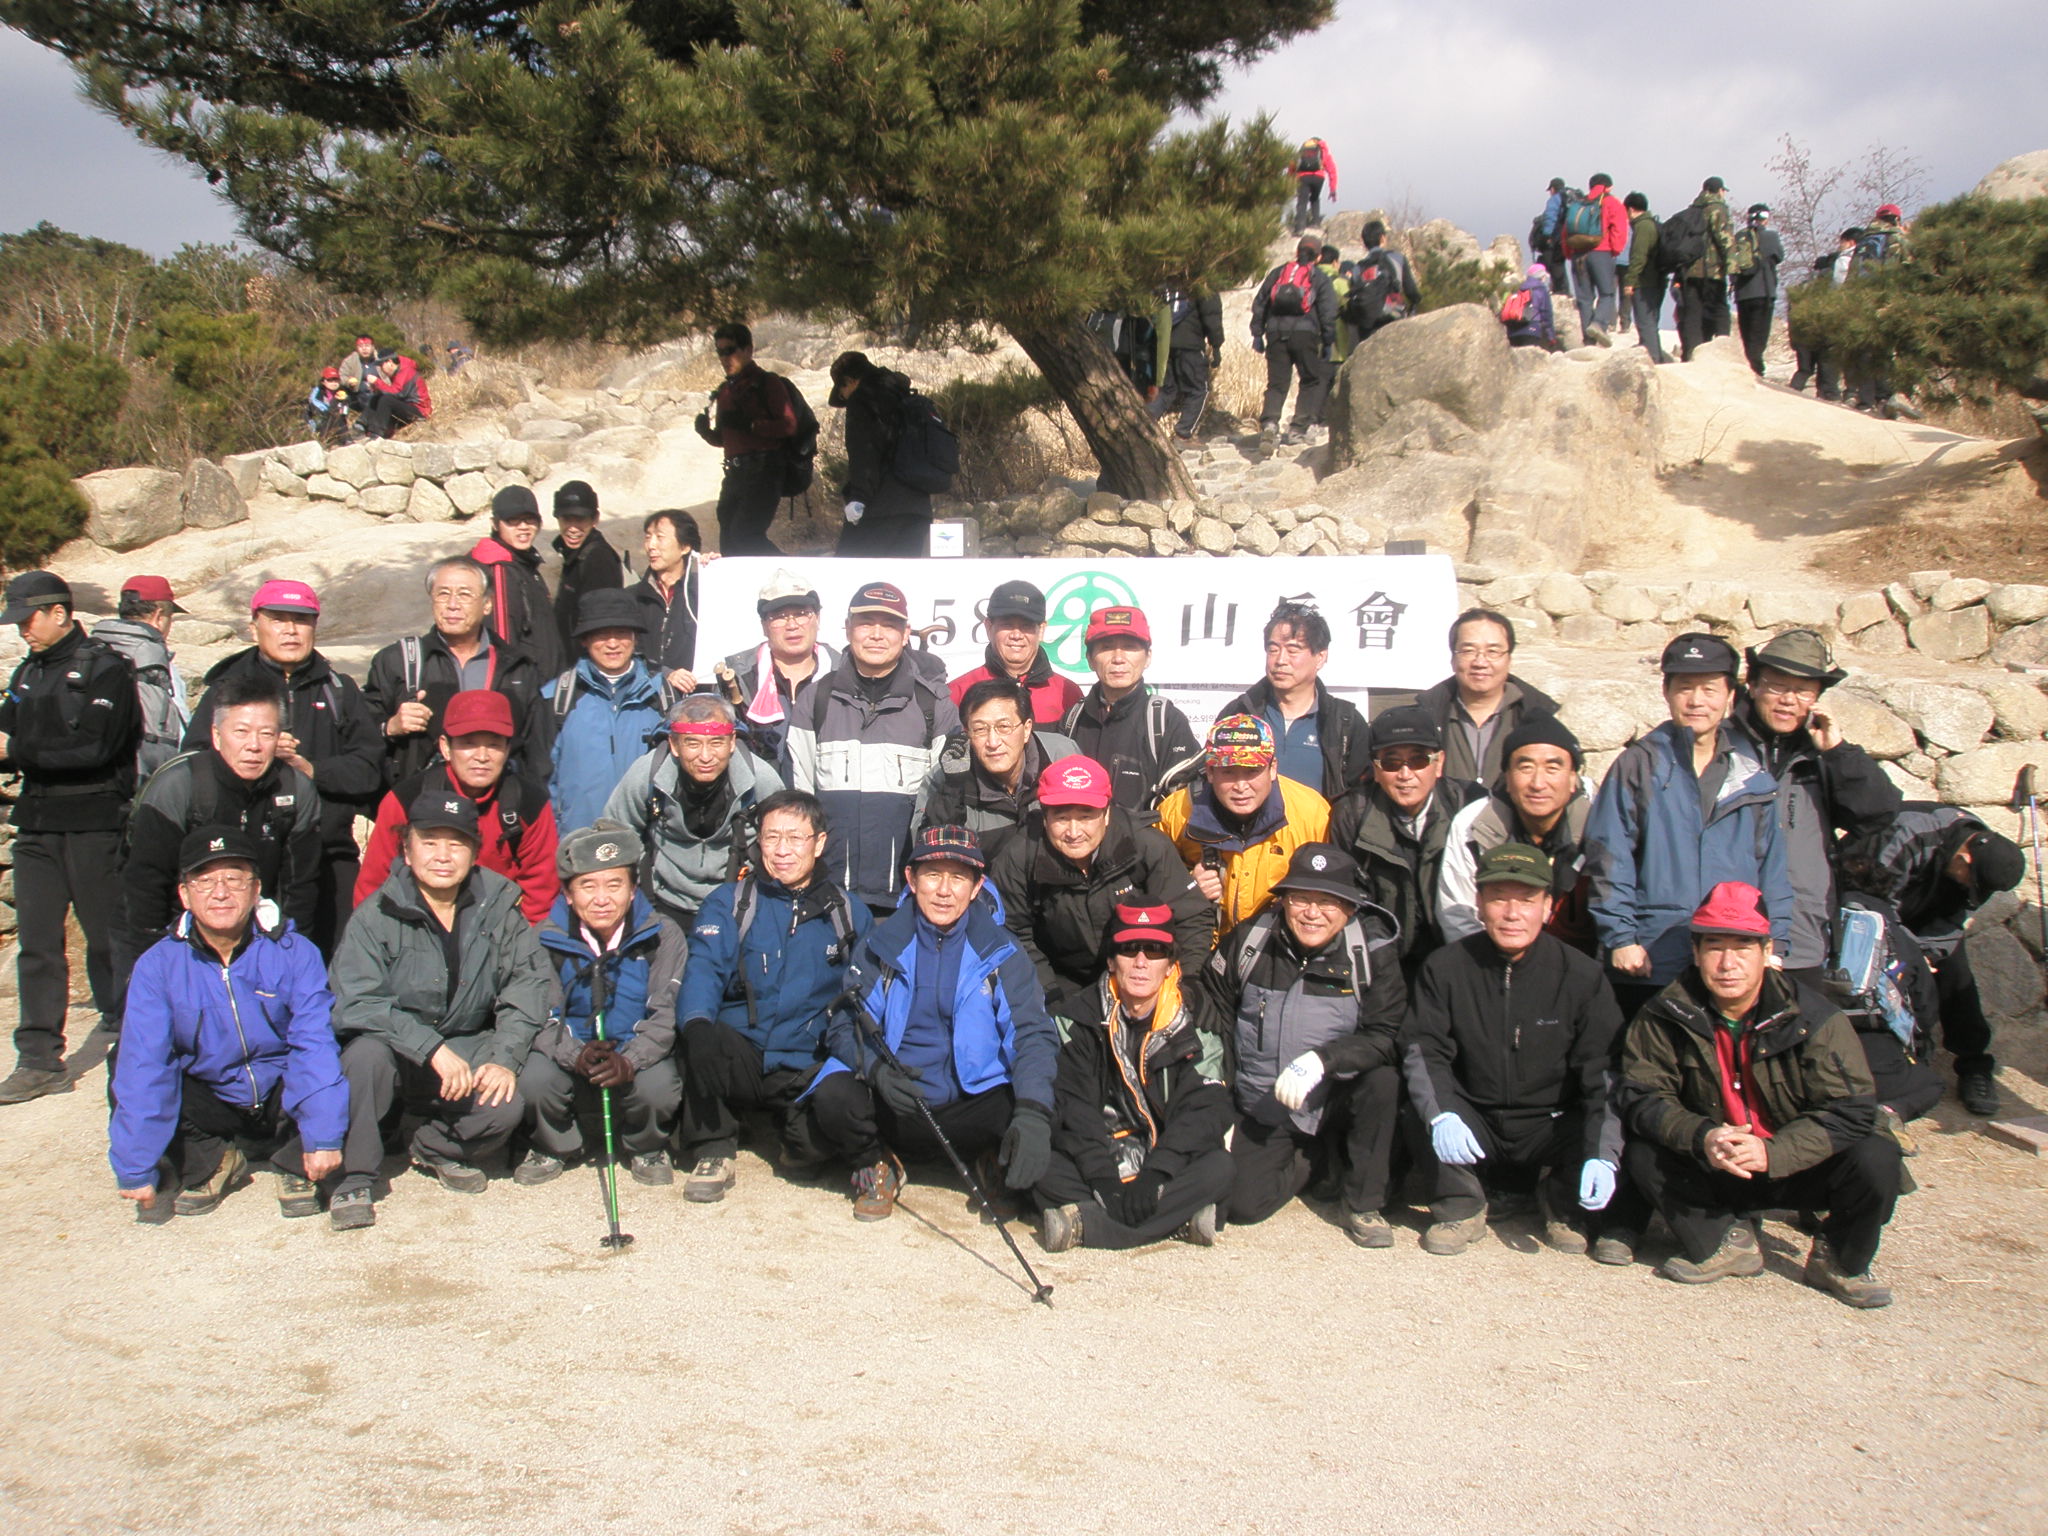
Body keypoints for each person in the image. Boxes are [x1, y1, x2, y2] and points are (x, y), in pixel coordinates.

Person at [1618, 882, 1904, 1308]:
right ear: (1695, 953)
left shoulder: (1815, 1018)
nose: (1727, 963)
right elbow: (1642, 1096)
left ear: (1767, 952)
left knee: (1877, 1156)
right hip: (1714, 1161)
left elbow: (1851, 1110)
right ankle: (1723, 1240)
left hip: (1797, 1164)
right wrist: (1703, 1135)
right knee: (1644, 1151)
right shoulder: (1665, 1014)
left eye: (1743, 947)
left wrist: (1775, 1151)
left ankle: (1840, 1260)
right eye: (1714, 947)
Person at [807, 826, 1059, 1222]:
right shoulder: (879, 943)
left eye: (958, 877)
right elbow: (844, 1022)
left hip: (972, 1099)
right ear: (911, 879)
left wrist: (1032, 1113)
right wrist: (877, 1071)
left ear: (976, 886)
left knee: (1040, 1100)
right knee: (833, 1095)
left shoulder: (1002, 950)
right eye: (933, 875)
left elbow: (1032, 1033)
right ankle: (877, 1163)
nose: (944, 890)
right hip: (896, 1098)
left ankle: (989, 1160)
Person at [108, 828, 356, 1226]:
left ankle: (295, 1160)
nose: (220, 892)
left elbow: (313, 1043)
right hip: (213, 1096)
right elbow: (145, 1063)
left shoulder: (295, 951)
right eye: (204, 881)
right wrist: (136, 1164)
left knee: (347, 1057)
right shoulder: (157, 966)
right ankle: (212, 1159)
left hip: (280, 1096)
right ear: (184, 894)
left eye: (234, 879)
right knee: (123, 1058)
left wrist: (323, 1135)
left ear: (255, 889)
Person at [331, 789, 551, 1217]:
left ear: (474, 852)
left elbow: (526, 986)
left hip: (468, 1043)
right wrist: (429, 1048)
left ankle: (432, 1145)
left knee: (505, 1103)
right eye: (429, 842)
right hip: (397, 1050)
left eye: (457, 844)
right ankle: (356, 1177)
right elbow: (357, 1001)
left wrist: (504, 1059)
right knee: (363, 1057)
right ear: (407, 850)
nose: (443, 856)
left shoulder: (499, 907)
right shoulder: (375, 914)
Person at [1402, 844, 1624, 1256]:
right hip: (1475, 1116)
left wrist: (1603, 1153)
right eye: (1498, 898)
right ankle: (1461, 1205)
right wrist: (1442, 1113)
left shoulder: (1581, 975)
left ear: (1548, 907)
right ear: (1479, 903)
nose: (1511, 913)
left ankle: (1562, 1204)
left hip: (1549, 1123)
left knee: (1603, 1124)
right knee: (1419, 1106)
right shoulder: (1445, 967)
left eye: (1526, 900)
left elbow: (1602, 1071)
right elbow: (1424, 1049)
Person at [1200, 843, 1405, 1244]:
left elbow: (1385, 1035)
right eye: (1301, 899)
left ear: (1350, 907)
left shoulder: (1372, 951)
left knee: (1383, 1084)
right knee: (1242, 1204)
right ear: (1284, 900)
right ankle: (1318, 1162)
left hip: (1336, 1097)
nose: (1312, 913)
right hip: (1267, 1101)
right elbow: (1215, 1013)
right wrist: (1220, 1094)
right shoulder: (1250, 940)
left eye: (1327, 901)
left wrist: (1324, 1060)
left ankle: (1363, 1204)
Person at [1584, 633, 1795, 1020]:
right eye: (1685, 688)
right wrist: (1621, 937)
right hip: (1651, 955)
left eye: (1710, 689)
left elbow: (1772, 868)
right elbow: (1609, 857)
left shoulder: (1751, 774)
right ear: (1666, 692)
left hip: (1730, 958)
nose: (1697, 701)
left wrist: (1775, 943)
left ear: (1730, 695)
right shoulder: (1639, 765)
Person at [676, 789, 873, 1201]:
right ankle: (713, 1147)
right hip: (744, 1045)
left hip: (806, 1055)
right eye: (771, 837)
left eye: (795, 838)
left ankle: (791, 1136)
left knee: (811, 1153)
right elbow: (704, 969)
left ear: (818, 843)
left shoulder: (848, 912)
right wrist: (696, 1025)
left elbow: (862, 992)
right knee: (700, 1034)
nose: (782, 850)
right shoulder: (732, 903)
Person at [185, 580, 383, 956]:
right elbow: (193, 761)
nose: (291, 630)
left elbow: (369, 769)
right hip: (239, 857)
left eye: (301, 620)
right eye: (278, 619)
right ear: (254, 626)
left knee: (336, 962)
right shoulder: (227, 689)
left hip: (326, 853)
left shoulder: (338, 689)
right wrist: (254, 750)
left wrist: (311, 770)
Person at [0, 571, 139, 1104]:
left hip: (94, 823)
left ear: (59, 613)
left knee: (108, 940)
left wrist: (19, 751)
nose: (22, 631)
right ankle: (39, 1059)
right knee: (37, 946)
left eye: (28, 619)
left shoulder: (106, 670)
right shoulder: (28, 671)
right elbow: (11, 729)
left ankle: (137, 1038)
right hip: (36, 825)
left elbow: (96, 750)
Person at [1036, 902, 1235, 1252]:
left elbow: (1204, 1110)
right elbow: (1073, 1107)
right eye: (1129, 949)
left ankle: (1087, 1226)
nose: (1141, 961)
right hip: (1101, 1153)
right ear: (1112, 961)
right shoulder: (1075, 1018)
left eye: (1155, 950)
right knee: (1037, 1161)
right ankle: (1176, 1219)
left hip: (1162, 1157)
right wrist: (1102, 1177)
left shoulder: (1197, 1022)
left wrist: (1158, 1173)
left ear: (1170, 965)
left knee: (1220, 1166)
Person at [515, 822, 686, 1189]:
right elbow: (539, 1016)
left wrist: (631, 1059)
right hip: (573, 1048)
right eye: (587, 886)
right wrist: (573, 1053)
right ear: (568, 894)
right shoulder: (544, 938)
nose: (602, 898)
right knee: (533, 1079)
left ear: (633, 889)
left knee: (660, 1087)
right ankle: (555, 1144)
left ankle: (645, 1145)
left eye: (614, 885)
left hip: (634, 1050)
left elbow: (665, 1014)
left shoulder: (663, 935)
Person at [1731, 629, 1901, 989]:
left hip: (1801, 933)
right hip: (1725, 931)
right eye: (1777, 686)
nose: (1788, 700)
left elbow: (1878, 815)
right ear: (1754, 685)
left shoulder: (1824, 756)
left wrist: (1838, 752)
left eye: (1803, 691)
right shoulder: (1719, 746)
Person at [124, 673, 322, 968]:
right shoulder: (178, 787)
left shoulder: (295, 790)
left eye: (266, 734)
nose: (254, 746)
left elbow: (301, 887)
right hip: (178, 937)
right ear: (216, 736)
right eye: (241, 732)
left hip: (258, 936)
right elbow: (146, 886)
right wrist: (156, 963)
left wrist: (288, 955)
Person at [788, 581, 959, 918]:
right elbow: (798, 802)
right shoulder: (815, 699)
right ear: (847, 628)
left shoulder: (935, 705)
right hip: (826, 896)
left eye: (890, 625)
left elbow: (944, 806)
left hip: (905, 901)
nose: (877, 635)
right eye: (866, 623)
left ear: (906, 633)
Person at [990, 754, 1213, 1007]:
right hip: (1063, 981)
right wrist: (1049, 995)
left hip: (1143, 974)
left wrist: (1184, 983)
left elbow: (1191, 917)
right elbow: (1012, 932)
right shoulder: (1020, 857)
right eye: (1061, 818)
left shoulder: (1145, 846)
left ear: (1106, 815)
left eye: (1086, 817)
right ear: (1045, 818)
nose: (1074, 832)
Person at [1846, 807, 2025, 1118]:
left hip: (1919, 920)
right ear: (1964, 858)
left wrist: (1927, 954)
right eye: (1971, 882)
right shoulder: (1910, 835)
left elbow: (1952, 922)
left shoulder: (1981, 862)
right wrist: (1907, 957)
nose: (1971, 891)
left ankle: (1974, 1065)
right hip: (1861, 914)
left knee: (1957, 978)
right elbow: (1871, 904)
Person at [355, 689, 559, 926]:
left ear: (507, 749)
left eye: (494, 745)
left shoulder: (529, 803)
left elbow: (541, 892)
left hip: (499, 928)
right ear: (445, 747)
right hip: (417, 925)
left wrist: (516, 940)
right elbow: (374, 882)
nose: (482, 756)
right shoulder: (406, 799)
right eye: (469, 744)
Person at [363, 554, 552, 783]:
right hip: (422, 794)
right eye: (443, 594)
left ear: (487, 605)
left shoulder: (517, 666)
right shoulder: (398, 661)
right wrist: (390, 727)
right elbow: (359, 736)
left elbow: (537, 749)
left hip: (498, 793)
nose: (452, 605)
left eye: (465, 594)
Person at [601, 694, 783, 927]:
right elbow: (617, 832)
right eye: (693, 743)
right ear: (674, 745)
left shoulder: (760, 779)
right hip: (662, 901)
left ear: (731, 743)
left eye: (716, 743)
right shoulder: (647, 775)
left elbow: (784, 838)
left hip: (740, 903)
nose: (705, 757)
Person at [1328, 706, 1486, 971]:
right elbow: (1346, 897)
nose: (1405, 774)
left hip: (1461, 954)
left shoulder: (1468, 807)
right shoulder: (1351, 813)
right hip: (1382, 959)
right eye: (1391, 763)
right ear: (1375, 768)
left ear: (1439, 763)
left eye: (1418, 760)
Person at [1158, 714, 1330, 938]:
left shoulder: (1312, 813)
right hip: (1200, 944)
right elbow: (1151, 891)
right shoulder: (1175, 812)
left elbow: (1331, 895)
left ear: (1272, 768)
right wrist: (1187, 888)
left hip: (1277, 945)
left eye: (1252, 771)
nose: (1241, 786)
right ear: (1210, 772)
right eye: (1228, 771)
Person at [542, 589, 669, 833]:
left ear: (634, 637)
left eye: (621, 633)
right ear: (584, 640)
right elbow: (542, 778)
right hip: (577, 839)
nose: (612, 643)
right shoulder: (556, 699)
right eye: (601, 634)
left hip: (647, 839)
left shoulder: (663, 695)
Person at [1217, 600, 1370, 801]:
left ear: (1320, 657)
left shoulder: (1344, 722)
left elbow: (1359, 798)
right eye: (1273, 650)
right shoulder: (1239, 713)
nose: (1280, 660)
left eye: (1293, 650)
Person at [1057, 605, 1200, 814]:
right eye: (1106, 647)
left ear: (1148, 657)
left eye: (1129, 647)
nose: (1118, 658)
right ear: (1090, 659)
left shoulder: (1166, 721)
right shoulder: (1073, 719)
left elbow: (1179, 809)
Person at [916, 678, 1078, 862]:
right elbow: (928, 859)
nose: (993, 742)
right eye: (980, 729)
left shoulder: (1063, 756)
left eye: (1004, 727)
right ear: (967, 734)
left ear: (1026, 729)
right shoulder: (945, 776)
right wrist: (952, 792)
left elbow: (1093, 829)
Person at [1417, 608, 1560, 787]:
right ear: (1453, 660)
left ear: (1509, 659)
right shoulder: (1424, 716)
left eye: (1493, 652)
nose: (1480, 662)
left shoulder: (1536, 717)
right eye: (1468, 651)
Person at [714, 570, 836, 779]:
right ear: (764, 626)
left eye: (801, 613)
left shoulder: (845, 673)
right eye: (779, 617)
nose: (792, 625)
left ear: (817, 618)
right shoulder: (738, 679)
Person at [693, 321, 797, 555]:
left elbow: (789, 426)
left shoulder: (767, 382)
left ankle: (792, 574)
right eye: (720, 352)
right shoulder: (726, 390)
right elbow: (725, 439)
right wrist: (705, 431)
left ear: (748, 350)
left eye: (730, 350)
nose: (724, 358)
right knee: (729, 537)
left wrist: (752, 425)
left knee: (745, 534)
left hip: (765, 468)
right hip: (735, 472)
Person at [829, 349, 933, 558]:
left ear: (849, 381)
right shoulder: (905, 397)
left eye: (842, 392)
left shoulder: (862, 400)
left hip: (880, 508)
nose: (844, 398)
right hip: (918, 508)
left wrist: (859, 497)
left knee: (849, 571)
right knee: (900, 576)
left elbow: (865, 452)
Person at [945, 579, 1083, 725]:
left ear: (1041, 630)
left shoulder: (1069, 694)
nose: (1016, 635)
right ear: (989, 627)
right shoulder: (956, 693)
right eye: (1007, 625)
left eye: (1026, 626)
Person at [95, 573, 190, 777]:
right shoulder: (157, 662)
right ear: (158, 616)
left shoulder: (95, 651)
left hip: (104, 770)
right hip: (149, 772)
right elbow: (180, 731)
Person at [1250, 236, 1339, 445]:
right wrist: (1328, 342)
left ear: (1296, 252)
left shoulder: (1278, 273)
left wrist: (1257, 334)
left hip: (1275, 333)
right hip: (1305, 334)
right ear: (1318, 257)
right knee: (1309, 380)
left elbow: (1260, 303)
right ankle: (1297, 429)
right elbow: (1328, 312)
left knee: (1277, 383)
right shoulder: (1319, 277)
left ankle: (1270, 423)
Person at [471, 486, 567, 678]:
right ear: (495, 524)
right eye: (513, 520)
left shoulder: (522, 562)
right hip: (525, 687)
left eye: (530, 519)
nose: (523, 527)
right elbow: (500, 645)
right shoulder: (498, 570)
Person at [1845, 205, 1920, 419]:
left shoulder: (1863, 242)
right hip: (1888, 300)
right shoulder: (1899, 240)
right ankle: (1885, 399)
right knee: (1886, 350)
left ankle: (1865, 400)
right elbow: (1910, 272)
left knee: (1865, 349)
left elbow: (1852, 274)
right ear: (1897, 219)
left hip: (1862, 300)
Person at [549, 480, 626, 661]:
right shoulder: (575, 555)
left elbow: (599, 626)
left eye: (580, 519)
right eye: (567, 519)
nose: (572, 528)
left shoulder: (599, 560)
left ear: (595, 519)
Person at [630, 509, 703, 690]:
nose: (651, 545)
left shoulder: (703, 593)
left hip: (695, 695)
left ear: (685, 547)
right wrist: (664, 673)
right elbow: (626, 655)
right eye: (648, 537)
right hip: (645, 695)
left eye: (660, 537)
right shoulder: (632, 598)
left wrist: (716, 570)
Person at [1787, 229, 1860, 400]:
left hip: (1804, 332)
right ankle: (1830, 395)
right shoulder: (1838, 275)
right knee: (1828, 362)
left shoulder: (1806, 285)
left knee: (1805, 369)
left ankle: (1796, 393)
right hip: (1827, 326)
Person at [1151, 286, 1224, 442]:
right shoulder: (1201, 283)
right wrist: (1216, 345)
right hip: (1190, 344)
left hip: (1161, 344)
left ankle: (1143, 427)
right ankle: (1183, 435)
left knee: (1165, 391)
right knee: (1199, 389)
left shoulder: (1162, 282)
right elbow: (1211, 316)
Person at [1676, 177, 1734, 362]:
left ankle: (1692, 353)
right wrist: (1733, 267)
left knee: (1693, 313)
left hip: (1690, 271)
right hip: (1712, 270)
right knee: (1720, 309)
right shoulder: (1717, 208)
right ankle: (1723, 352)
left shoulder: (1692, 210)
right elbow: (1724, 238)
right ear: (1718, 190)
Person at [1730, 204, 1786, 377]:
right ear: (1764, 218)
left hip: (1743, 293)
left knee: (1747, 333)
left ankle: (1750, 364)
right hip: (1764, 291)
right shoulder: (1771, 236)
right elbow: (1779, 256)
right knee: (1759, 333)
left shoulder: (1739, 237)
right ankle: (1756, 368)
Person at [1575, 173, 1629, 345]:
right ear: (1609, 187)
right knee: (1607, 293)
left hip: (1578, 254)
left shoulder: (1578, 204)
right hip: (1602, 252)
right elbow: (1619, 230)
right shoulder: (1612, 203)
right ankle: (1599, 324)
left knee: (1584, 299)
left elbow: (1566, 231)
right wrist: (1615, 250)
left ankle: (1588, 341)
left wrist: (1570, 253)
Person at [1347, 223, 1421, 345]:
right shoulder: (1397, 258)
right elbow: (1411, 290)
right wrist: (1415, 302)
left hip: (1367, 323)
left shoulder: (1357, 268)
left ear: (1364, 242)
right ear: (1382, 238)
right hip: (1393, 316)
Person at [1618, 193, 1666, 363]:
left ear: (1630, 209)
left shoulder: (1643, 226)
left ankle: (1652, 359)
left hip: (1645, 282)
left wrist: (1630, 281)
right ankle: (1655, 355)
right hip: (1657, 279)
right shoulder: (1652, 223)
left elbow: (1639, 256)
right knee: (1651, 322)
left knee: (1645, 322)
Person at [356, 348, 431, 438]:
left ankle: (377, 433)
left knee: (386, 400)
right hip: (407, 407)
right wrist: (377, 388)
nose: (381, 369)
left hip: (419, 412)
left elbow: (396, 393)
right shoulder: (399, 372)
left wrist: (377, 382)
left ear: (390, 362)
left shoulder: (406, 371)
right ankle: (362, 424)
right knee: (378, 396)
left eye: (381, 365)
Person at [1501, 264, 1559, 351]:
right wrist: (1551, 337)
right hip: (1531, 330)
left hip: (1513, 332)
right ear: (1542, 277)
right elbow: (1546, 315)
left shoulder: (1520, 289)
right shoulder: (1541, 290)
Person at [1533, 177, 1574, 298]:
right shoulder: (1571, 198)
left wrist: (1547, 235)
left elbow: (1550, 217)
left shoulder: (1555, 199)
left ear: (1552, 189)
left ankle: (1559, 290)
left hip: (1556, 237)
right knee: (1560, 263)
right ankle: (1564, 290)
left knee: (1553, 263)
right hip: (1569, 237)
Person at [1291, 137, 1336, 233]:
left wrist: (1289, 183)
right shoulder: (1324, 152)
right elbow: (1332, 171)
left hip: (1303, 177)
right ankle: (1316, 223)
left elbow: (1292, 166)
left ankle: (1300, 228)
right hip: (1318, 178)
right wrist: (1332, 189)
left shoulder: (1302, 151)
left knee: (1302, 202)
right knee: (1315, 198)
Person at [306, 365, 352, 443]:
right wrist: (335, 403)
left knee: (339, 416)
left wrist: (344, 404)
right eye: (330, 380)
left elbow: (345, 412)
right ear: (323, 382)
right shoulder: (317, 393)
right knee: (334, 415)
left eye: (336, 380)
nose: (334, 383)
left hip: (337, 422)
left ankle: (345, 439)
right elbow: (319, 410)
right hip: (321, 423)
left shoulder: (342, 392)